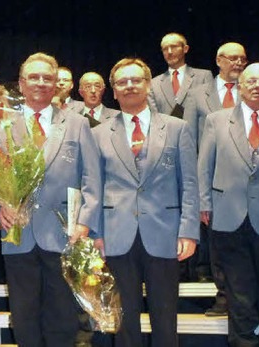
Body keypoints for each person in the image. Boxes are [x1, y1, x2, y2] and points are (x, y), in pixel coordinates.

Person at [0, 53, 101, 347]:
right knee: (24, 317)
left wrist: (84, 224)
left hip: (64, 234)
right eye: (34, 77)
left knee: (63, 319)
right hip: (18, 235)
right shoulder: (2, 125)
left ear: (56, 84)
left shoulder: (78, 124)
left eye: (47, 78)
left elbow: (92, 180)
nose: (41, 83)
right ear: (21, 83)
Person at [92, 58, 199, 347]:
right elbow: (93, 188)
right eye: (122, 82)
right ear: (113, 91)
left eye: (135, 80)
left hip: (164, 233)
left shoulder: (177, 128)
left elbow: (189, 182)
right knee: (124, 321)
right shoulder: (98, 134)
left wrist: (188, 230)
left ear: (148, 85)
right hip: (115, 236)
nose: (129, 86)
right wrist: (95, 233)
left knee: (165, 319)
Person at [198, 62, 259, 346]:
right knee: (238, 291)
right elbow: (204, 165)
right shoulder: (217, 120)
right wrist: (204, 202)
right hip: (228, 217)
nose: (256, 85)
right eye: (250, 81)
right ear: (239, 86)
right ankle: (244, 342)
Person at [186, 42, 247, 317]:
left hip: (246, 178)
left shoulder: (252, 91)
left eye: (242, 59)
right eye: (233, 58)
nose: (238, 63)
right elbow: (187, 135)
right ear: (219, 60)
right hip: (210, 175)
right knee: (218, 243)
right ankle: (223, 296)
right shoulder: (200, 93)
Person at [148, 33, 213, 117]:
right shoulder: (154, 83)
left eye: (174, 47)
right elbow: (154, 116)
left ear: (185, 49)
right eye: (165, 49)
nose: (169, 52)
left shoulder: (203, 77)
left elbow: (210, 111)